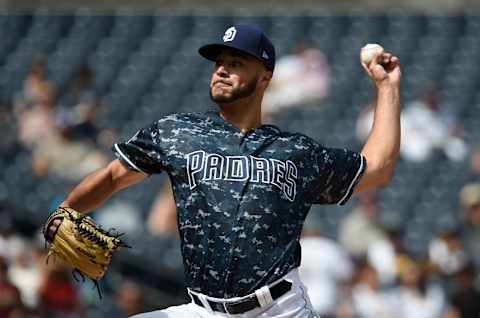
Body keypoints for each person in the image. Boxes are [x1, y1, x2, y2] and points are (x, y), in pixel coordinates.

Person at [45, 24, 401, 317]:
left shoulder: (297, 152)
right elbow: (112, 176)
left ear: (265, 78)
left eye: (236, 62)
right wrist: (66, 210)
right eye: (219, 62)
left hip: (278, 309)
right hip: (202, 310)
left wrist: (387, 87)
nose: (222, 69)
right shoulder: (177, 132)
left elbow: (378, 169)